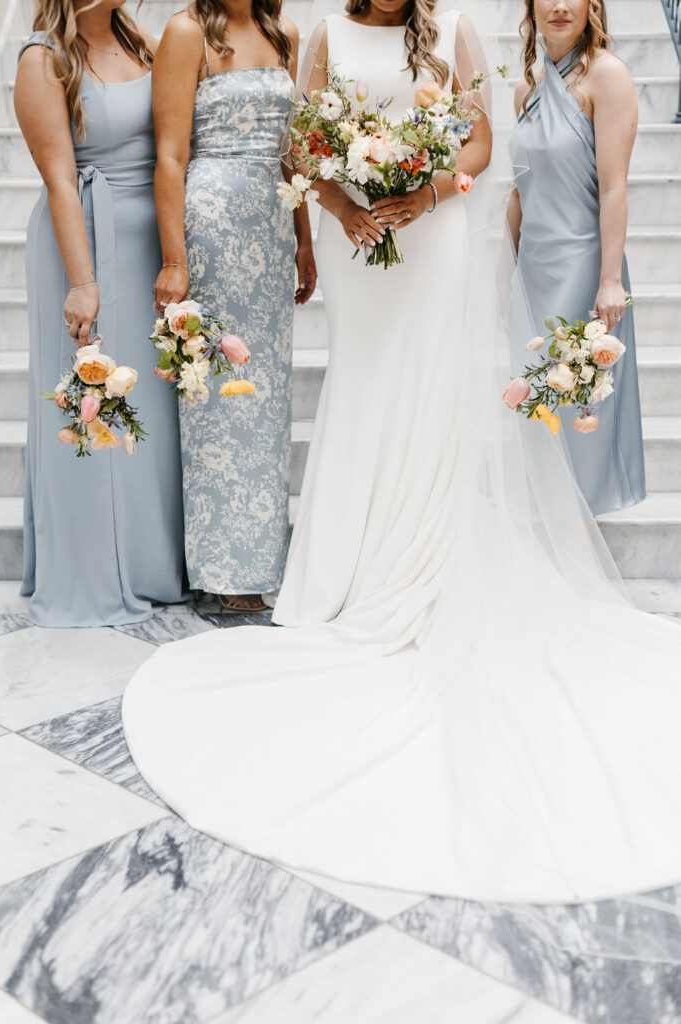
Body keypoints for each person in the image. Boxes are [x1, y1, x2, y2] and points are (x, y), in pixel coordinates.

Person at [124, 0, 681, 908]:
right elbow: (302, 143)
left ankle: (418, 550)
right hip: (356, 244)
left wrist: (418, 195)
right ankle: (344, 566)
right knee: (363, 386)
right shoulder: (322, 34)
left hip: (434, 236)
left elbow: (477, 142)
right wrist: (348, 206)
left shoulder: (455, 26)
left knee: (424, 390)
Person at [14, 0, 186, 628]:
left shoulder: (144, 40)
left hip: (152, 247)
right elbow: (60, 178)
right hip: (84, 241)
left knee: (153, 410)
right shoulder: (44, 58)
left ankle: (153, 564)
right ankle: (90, 570)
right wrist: (83, 283)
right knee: (94, 403)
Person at [151, 0, 316, 614]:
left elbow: (292, 152)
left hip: (272, 229)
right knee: (216, 390)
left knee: (266, 398)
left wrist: (304, 238)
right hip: (212, 226)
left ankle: (258, 565)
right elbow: (170, 154)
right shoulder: (187, 30)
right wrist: (175, 260)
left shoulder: (285, 31)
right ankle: (219, 572)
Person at [507, 0, 645, 515]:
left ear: (593, 6)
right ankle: (545, 526)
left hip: (584, 267)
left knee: (576, 400)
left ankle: (577, 533)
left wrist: (610, 280)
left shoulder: (608, 76)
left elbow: (613, 189)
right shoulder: (527, 88)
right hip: (535, 267)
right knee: (535, 403)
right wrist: (505, 270)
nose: (560, 5)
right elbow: (520, 193)